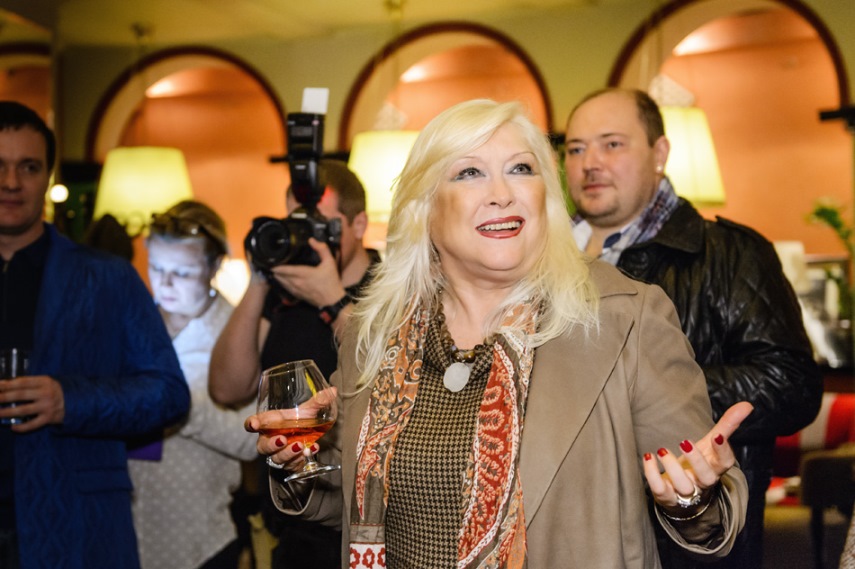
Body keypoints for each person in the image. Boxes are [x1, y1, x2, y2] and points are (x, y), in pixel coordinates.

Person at [246, 99, 751, 568]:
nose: (502, 193)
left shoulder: (626, 317)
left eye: (521, 169)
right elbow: (354, 499)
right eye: (470, 173)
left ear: (545, 196)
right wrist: (297, 463)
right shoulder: (373, 331)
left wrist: (692, 500)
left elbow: (706, 502)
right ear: (425, 208)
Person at [564, 87, 823, 568]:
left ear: (659, 153)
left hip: (692, 537)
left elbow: (791, 384)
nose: (590, 163)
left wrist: (651, 394)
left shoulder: (729, 253)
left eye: (612, 144)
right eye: (575, 149)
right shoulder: (533, 259)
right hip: (567, 532)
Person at [0, 101, 189, 569]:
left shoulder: (107, 278)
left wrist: (69, 400)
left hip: (76, 530)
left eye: (28, 167)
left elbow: (168, 393)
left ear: (48, 176)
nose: (11, 182)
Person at [209, 159, 381, 568]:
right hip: (291, 517)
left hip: (361, 522)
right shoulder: (283, 291)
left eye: (318, 224)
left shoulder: (390, 285)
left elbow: (386, 373)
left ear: (358, 224)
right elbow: (227, 388)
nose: (306, 236)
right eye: (294, 223)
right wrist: (260, 280)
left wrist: (332, 300)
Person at [129, 200, 258, 569]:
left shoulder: (235, 333)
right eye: (157, 268)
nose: (165, 283)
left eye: (182, 273)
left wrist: (174, 407)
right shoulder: (134, 324)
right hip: (127, 530)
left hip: (201, 539)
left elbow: (252, 440)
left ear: (214, 266)